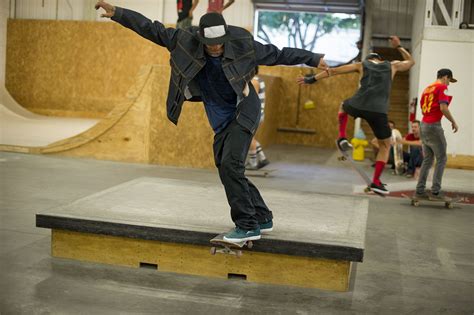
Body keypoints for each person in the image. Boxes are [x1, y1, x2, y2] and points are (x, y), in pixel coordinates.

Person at [95, 1, 327, 242]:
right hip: (220, 119)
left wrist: (313, 58)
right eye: (210, 45)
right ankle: (262, 215)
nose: (215, 48)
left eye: (219, 43)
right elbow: (151, 28)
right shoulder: (184, 39)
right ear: (201, 39)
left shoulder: (242, 44)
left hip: (243, 109)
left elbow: (278, 54)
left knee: (231, 166)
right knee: (227, 168)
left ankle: (247, 225)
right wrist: (118, 13)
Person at [297, 35, 414, 194]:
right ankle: (376, 181)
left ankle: (342, 137)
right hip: (379, 111)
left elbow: (333, 71)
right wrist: (399, 46)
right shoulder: (392, 66)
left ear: (369, 59)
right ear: (380, 59)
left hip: (358, 104)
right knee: (385, 146)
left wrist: (311, 79)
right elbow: (411, 62)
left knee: (343, 106)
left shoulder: (362, 64)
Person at [415, 69, 459, 200]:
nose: (449, 84)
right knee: (442, 158)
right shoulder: (442, 87)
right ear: (445, 77)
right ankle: (435, 191)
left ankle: (420, 190)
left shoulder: (427, 89)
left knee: (428, 159)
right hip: (434, 125)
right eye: (449, 80)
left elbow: (423, 107)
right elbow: (443, 108)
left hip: (424, 124)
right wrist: (453, 121)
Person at [246, 66, 269, 170]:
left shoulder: (254, 81)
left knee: (248, 138)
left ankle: (253, 163)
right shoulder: (258, 79)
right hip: (257, 114)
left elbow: (251, 100)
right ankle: (263, 158)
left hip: (253, 114)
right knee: (251, 137)